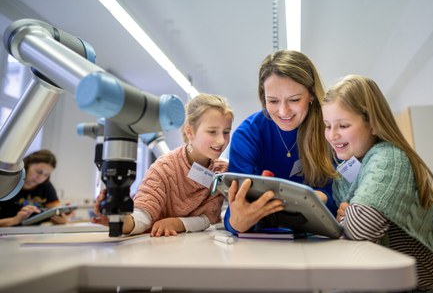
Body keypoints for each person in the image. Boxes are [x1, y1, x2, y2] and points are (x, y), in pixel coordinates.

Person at [321, 74, 433, 292]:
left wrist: (347, 216)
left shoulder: (388, 157)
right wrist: (349, 216)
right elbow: (349, 225)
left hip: (429, 289)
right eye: (327, 125)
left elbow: (361, 229)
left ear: (373, 124)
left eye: (343, 125)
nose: (332, 135)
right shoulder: (349, 167)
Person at [224, 49, 337, 234]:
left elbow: (339, 198)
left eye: (294, 99)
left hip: (317, 240)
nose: (283, 111)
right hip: (263, 241)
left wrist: (321, 198)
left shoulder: (330, 129)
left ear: (311, 95)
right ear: (263, 98)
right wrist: (237, 223)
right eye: (273, 101)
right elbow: (234, 211)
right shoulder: (248, 134)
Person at [92, 93, 234, 237]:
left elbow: (208, 218)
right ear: (189, 131)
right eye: (212, 132)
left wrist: (177, 223)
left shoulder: (221, 172)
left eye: (226, 132)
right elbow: (143, 214)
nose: (221, 141)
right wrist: (121, 221)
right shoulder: (164, 168)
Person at [0, 149, 69, 226]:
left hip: (33, 234)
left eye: (46, 175)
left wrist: (62, 218)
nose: (41, 178)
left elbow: (55, 210)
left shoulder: (46, 186)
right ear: (27, 165)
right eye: (39, 172)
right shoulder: (4, 183)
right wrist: (14, 220)